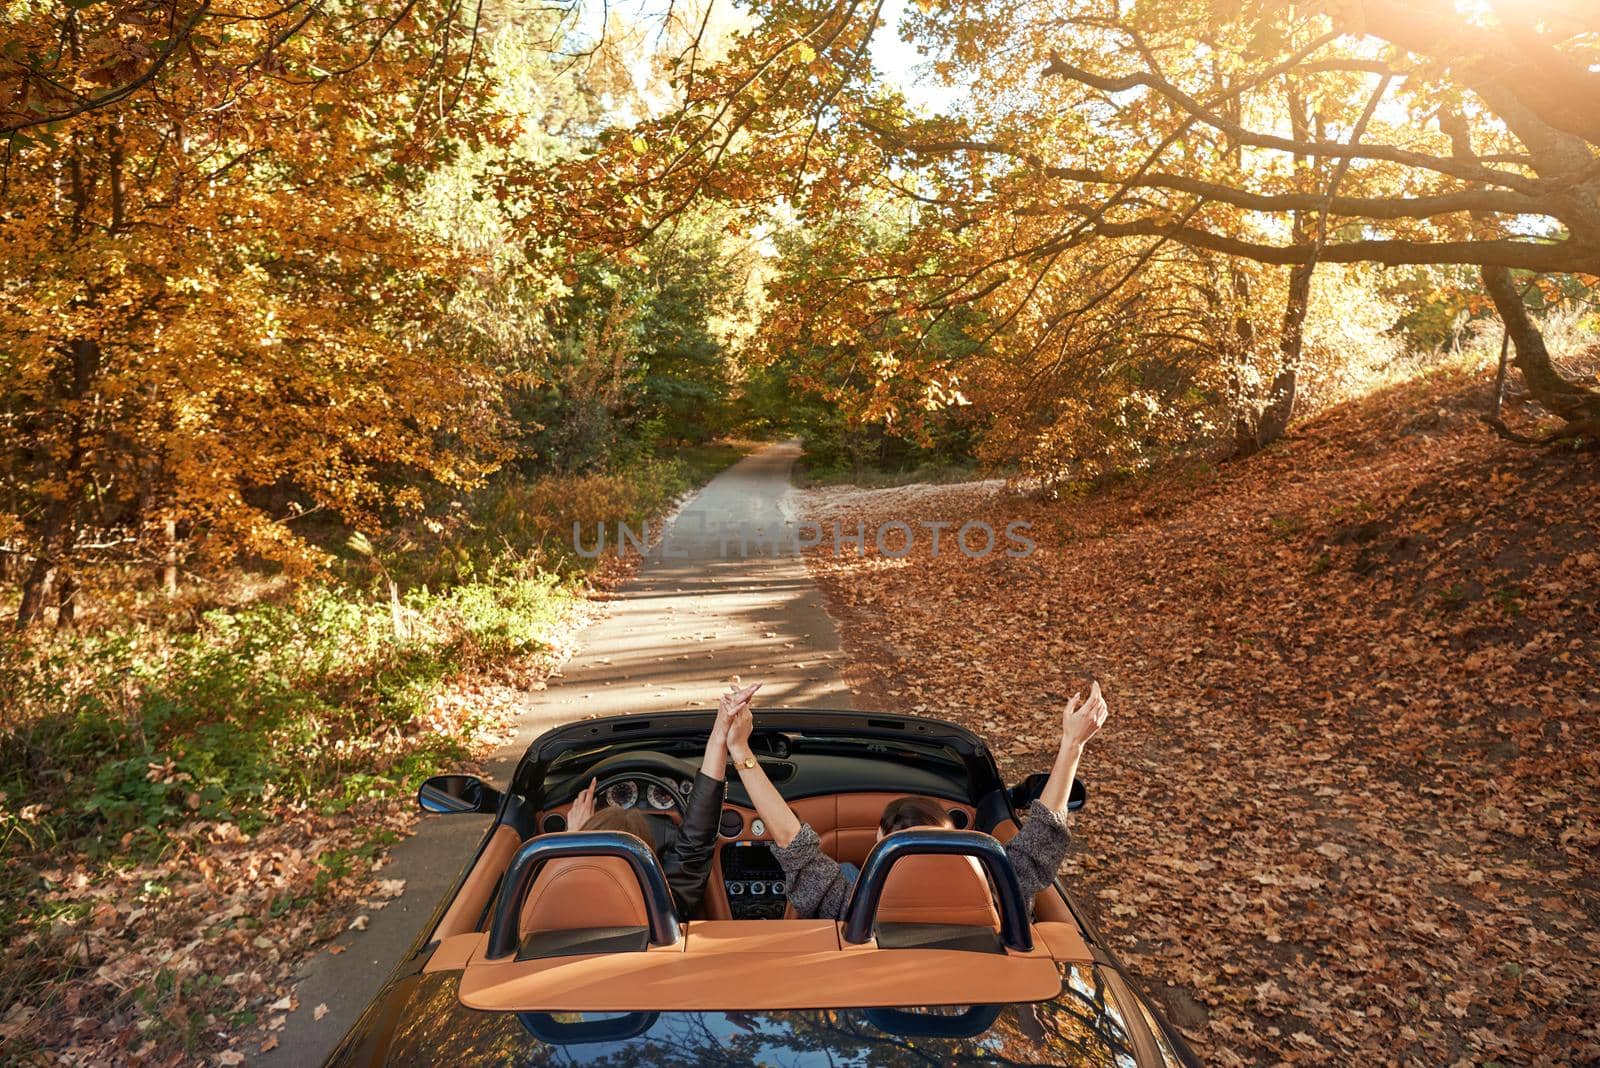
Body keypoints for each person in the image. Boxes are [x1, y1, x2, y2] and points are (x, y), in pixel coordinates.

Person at [724, 681, 1110, 920]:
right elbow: (1046, 829)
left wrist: (740, 747)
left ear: (879, 840)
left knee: (844, 870)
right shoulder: (1002, 889)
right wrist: (1072, 744)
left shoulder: (846, 902)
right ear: (957, 842)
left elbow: (792, 840)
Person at [566, 682, 760, 918]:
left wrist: (571, 840)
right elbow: (696, 841)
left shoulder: (550, 907)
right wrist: (721, 733)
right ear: (648, 862)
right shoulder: (664, 910)